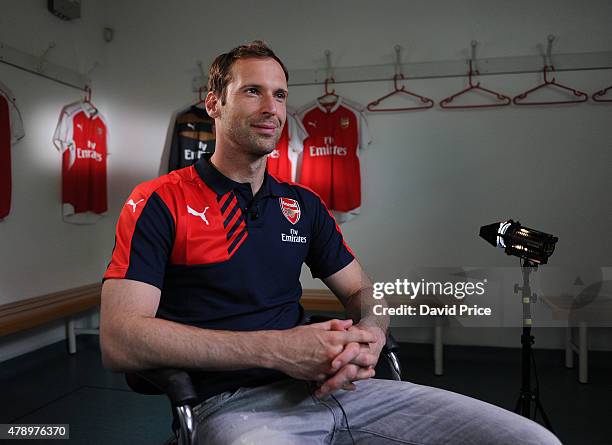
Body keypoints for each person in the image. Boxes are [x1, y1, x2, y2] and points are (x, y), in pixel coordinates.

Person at [100, 41, 561, 445]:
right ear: (214, 105)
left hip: (342, 389)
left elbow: (364, 290)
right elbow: (120, 340)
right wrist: (276, 349)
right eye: (252, 91)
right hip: (230, 403)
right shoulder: (159, 201)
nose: (272, 108)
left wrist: (371, 336)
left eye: (279, 94)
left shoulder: (303, 204)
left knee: (531, 438)